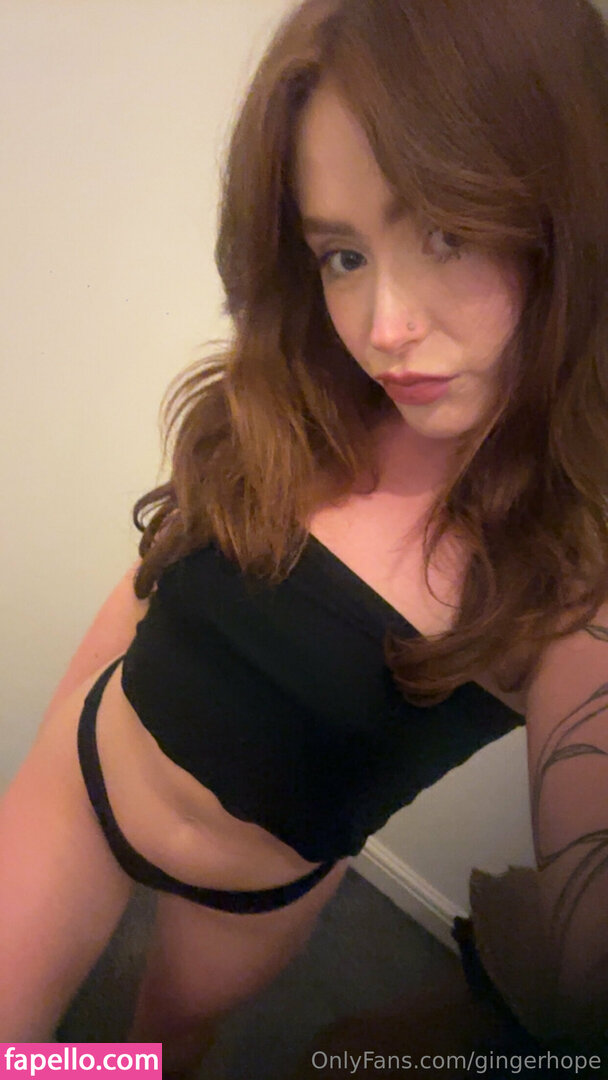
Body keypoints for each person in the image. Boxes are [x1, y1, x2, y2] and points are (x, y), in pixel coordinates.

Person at [1, 0, 607, 1074]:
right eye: (342, 255)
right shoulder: (299, 397)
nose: (383, 327)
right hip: (86, 774)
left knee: (154, 1057)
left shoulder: (564, 576)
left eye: (447, 232)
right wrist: (61, 725)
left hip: (252, 900)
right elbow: (152, 580)